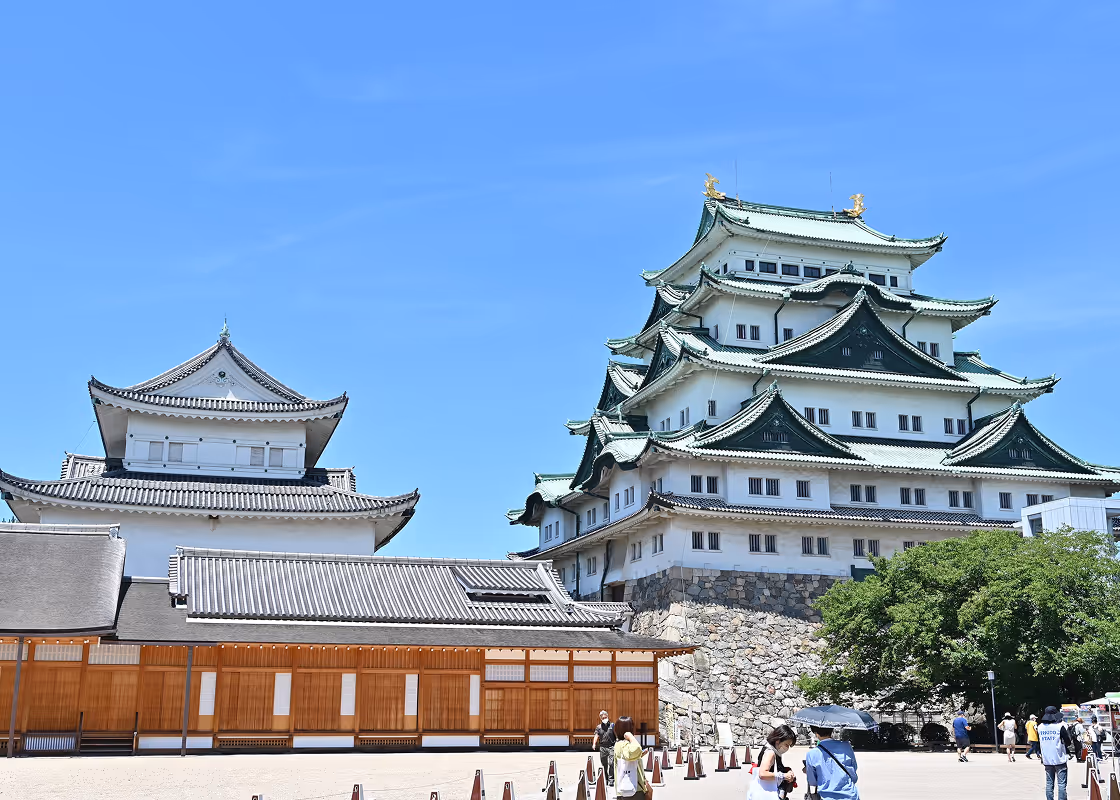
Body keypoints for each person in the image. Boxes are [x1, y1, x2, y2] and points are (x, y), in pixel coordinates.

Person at [804, 726, 858, 800]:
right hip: (849, 795)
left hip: (826, 797)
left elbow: (812, 782)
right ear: (832, 730)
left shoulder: (811, 754)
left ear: (816, 733)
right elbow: (853, 771)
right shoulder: (846, 746)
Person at [748, 724, 798, 800]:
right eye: (786, 744)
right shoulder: (770, 753)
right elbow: (762, 774)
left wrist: (787, 771)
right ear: (778, 741)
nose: (787, 748)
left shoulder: (774, 751)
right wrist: (784, 776)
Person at [1038, 705, 1076, 800]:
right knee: (1061, 784)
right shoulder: (1059, 727)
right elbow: (1068, 741)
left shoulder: (1040, 727)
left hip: (1047, 759)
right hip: (1059, 758)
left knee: (1049, 783)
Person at [611, 716, 651, 800]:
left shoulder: (619, 744)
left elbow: (628, 758)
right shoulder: (623, 744)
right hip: (632, 790)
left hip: (624, 789)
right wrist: (630, 737)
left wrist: (639, 756)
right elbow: (635, 749)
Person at [591, 709, 616, 787]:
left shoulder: (612, 725)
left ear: (607, 716)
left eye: (605, 717)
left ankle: (611, 779)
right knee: (604, 764)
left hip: (611, 746)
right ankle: (606, 778)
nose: (604, 719)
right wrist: (594, 744)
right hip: (603, 747)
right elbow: (596, 735)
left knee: (611, 763)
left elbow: (617, 735)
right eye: (602, 718)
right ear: (600, 718)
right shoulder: (598, 727)